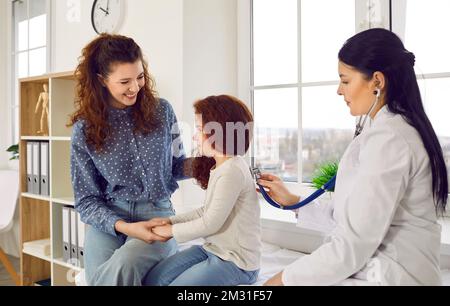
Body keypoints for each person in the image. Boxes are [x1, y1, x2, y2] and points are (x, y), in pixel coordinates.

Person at [258, 28, 448, 286]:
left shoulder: (391, 139)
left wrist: (282, 280)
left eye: (345, 81)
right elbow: (352, 217)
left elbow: (353, 243)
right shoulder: (382, 130)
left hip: (394, 275)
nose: (339, 90)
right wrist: (293, 201)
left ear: (377, 82)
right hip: (381, 268)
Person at [69, 34, 189, 286]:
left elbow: (176, 166)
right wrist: (125, 227)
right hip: (110, 216)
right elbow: (86, 200)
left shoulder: (162, 111)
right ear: (102, 80)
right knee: (106, 273)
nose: (135, 87)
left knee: (123, 265)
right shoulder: (85, 129)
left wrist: (216, 162)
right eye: (125, 81)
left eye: (140, 77)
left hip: (157, 213)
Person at [144, 95, 261, 286]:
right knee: (153, 279)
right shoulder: (220, 166)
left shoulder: (232, 171)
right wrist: (170, 221)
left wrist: (170, 231)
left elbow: (209, 223)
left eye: (199, 130)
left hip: (236, 262)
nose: (194, 136)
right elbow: (206, 211)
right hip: (213, 249)